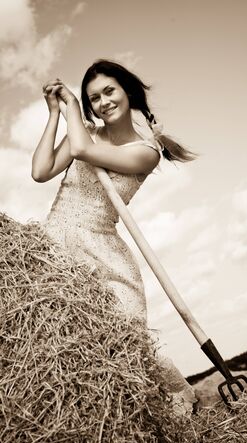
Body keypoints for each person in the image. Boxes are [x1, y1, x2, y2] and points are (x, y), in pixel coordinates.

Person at [32, 59, 198, 414]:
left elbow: (81, 151)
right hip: (55, 248)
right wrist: (54, 116)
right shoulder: (85, 132)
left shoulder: (146, 152)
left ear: (127, 92)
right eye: (93, 98)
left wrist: (73, 110)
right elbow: (40, 171)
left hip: (103, 254)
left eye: (109, 91)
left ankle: (180, 412)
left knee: (127, 341)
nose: (103, 102)